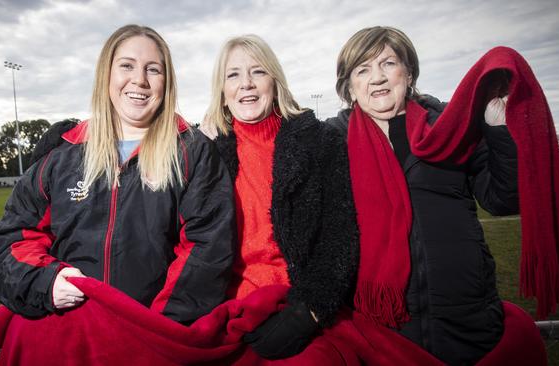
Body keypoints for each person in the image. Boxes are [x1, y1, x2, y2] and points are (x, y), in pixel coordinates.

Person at [0, 24, 235, 325]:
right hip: (71, 334)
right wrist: (45, 282)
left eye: (153, 69)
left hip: (152, 336)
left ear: (167, 82)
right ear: (107, 74)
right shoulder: (62, 153)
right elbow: (10, 239)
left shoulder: (193, 152)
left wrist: (160, 327)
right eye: (127, 66)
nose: (139, 80)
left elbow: (208, 250)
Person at [326, 26, 519, 365]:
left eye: (387, 63)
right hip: (380, 324)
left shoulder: (450, 125)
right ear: (349, 85)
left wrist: (497, 126)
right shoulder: (329, 141)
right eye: (363, 69)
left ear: (409, 71)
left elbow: (504, 199)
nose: (377, 78)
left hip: (465, 315)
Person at [200, 34, 359, 360]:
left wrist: (311, 311)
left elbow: (340, 235)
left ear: (275, 81)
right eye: (233, 75)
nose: (246, 83)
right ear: (222, 89)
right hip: (230, 308)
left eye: (257, 72)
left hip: (298, 302)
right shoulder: (207, 152)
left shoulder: (319, 141)